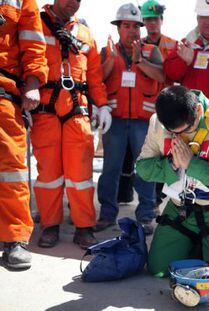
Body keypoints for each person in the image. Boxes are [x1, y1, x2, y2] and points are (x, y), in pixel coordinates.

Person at [136, 85, 209, 288]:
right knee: (158, 268)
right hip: (181, 208)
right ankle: (200, 244)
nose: (179, 136)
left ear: (198, 110)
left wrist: (192, 164)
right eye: (172, 132)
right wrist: (171, 164)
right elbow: (143, 168)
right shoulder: (157, 123)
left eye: (187, 130)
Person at [31, 0, 110, 249]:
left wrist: (103, 105)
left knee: (81, 175)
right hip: (45, 109)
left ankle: (84, 227)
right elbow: (26, 62)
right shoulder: (36, 25)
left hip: (78, 110)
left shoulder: (85, 34)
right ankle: (49, 225)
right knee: (49, 175)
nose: (73, 4)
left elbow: (95, 77)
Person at [95, 3, 165, 234]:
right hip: (114, 119)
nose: (133, 31)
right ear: (118, 28)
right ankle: (107, 214)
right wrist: (110, 61)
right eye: (127, 26)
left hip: (143, 122)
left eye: (137, 26)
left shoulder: (151, 51)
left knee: (145, 168)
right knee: (111, 168)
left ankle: (146, 215)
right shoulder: (107, 50)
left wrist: (139, 61)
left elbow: (162, 76)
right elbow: (97, 79)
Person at [0, 0, 48, 269]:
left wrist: (32, 83)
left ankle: (14, 240)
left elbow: (33, 44)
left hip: (4, 93)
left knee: (12, 169)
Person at [117, 0, 177, 207]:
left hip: (166, 106)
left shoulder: (172, 44)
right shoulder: (135, 44)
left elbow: (170, 74)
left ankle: (157, 197)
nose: (152, 24)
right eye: (148, 20)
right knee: (138, 154)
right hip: (144, 107)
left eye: (155, 20)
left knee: (162, 153)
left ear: (161, 20)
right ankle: (131, 195)